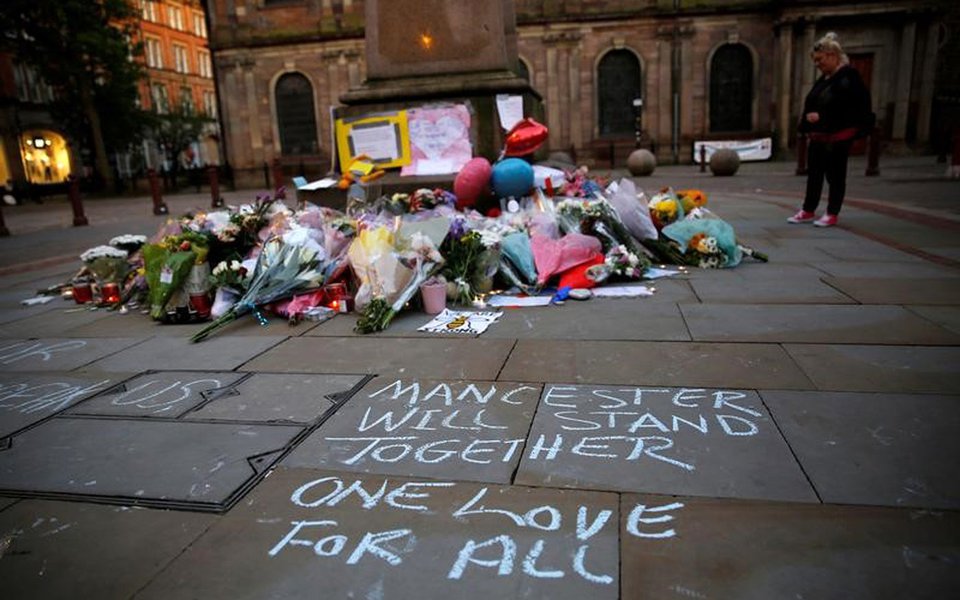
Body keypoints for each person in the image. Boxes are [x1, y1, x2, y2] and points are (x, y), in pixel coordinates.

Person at [789, 32, 874, 227]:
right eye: (815, 60)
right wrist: (808, 120)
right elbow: (812, 101)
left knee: (835, 175)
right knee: (814, 174)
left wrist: (823, 117)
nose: (817, 64)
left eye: (820, 60)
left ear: (832, 55)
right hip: (819, 135)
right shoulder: (825, 79)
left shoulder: (849, 78)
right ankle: (808, 209)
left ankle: (832, 212)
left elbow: (853, 107)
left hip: (838, 135)